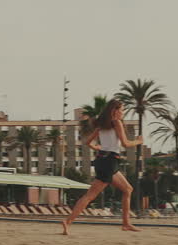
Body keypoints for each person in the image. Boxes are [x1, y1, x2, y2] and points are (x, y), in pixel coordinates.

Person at [61, 99, 144, 235]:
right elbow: (125, 143)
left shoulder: (102, 125)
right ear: (114, 111)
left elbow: (88, 142)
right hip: (109, 161)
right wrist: (139, 141)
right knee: (90, 196)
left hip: (102, 160)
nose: (123, 113)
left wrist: (97, 147)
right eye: (121, 110)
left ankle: (126, 223)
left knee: (128, 189)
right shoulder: (116, 123)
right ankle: (68, 221)